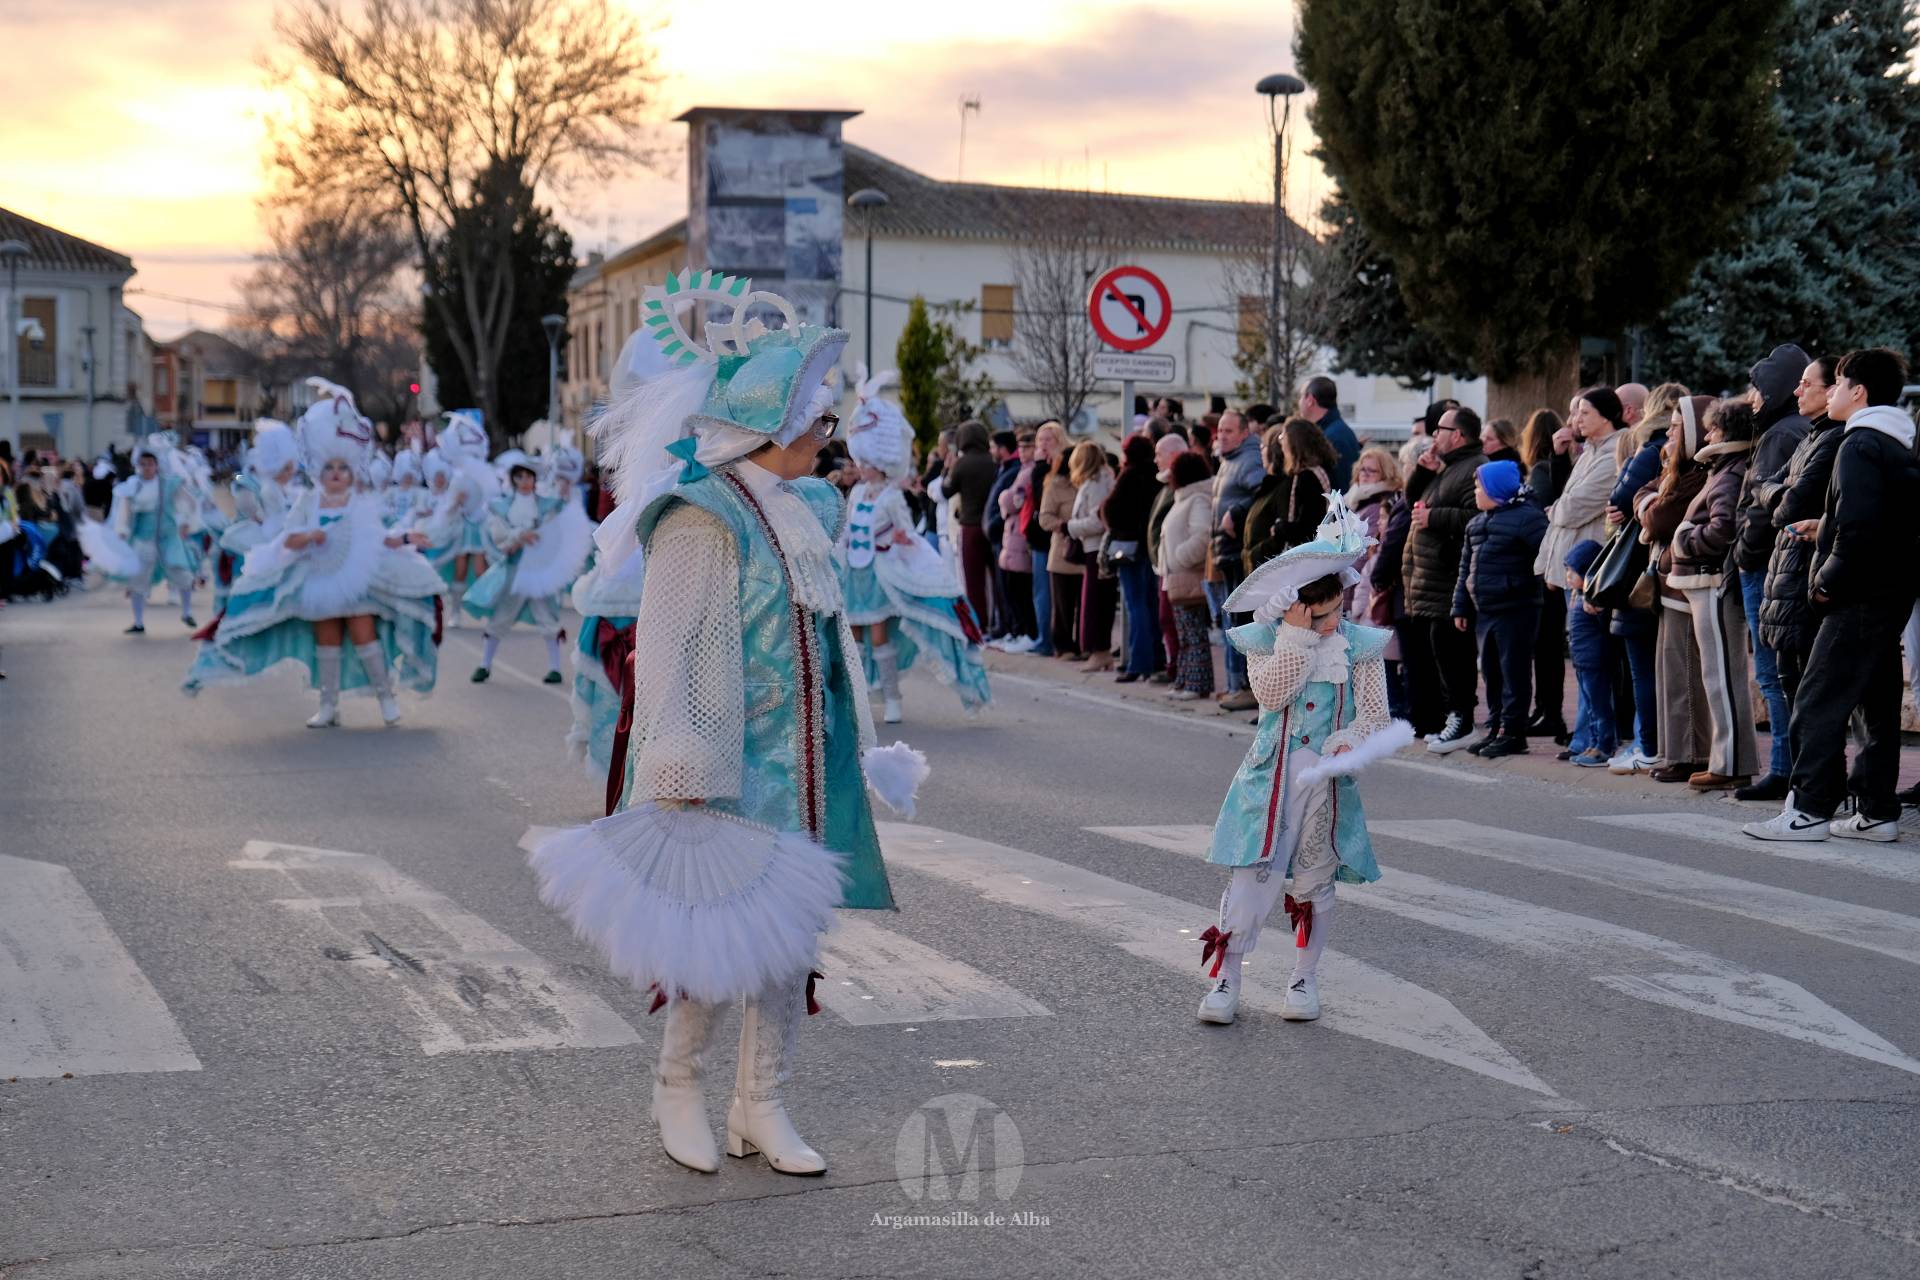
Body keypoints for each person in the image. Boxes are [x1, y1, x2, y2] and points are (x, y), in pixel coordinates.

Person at [528, 268, 921, 1177]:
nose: (828, 438)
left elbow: (827, 643)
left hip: (804, 762)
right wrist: (679, 766)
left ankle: (762, 1103)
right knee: (712, 941)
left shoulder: (805, 508)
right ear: (769, 425)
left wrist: (859, 745)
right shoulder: (702, 515)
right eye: (818, 422)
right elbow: (670, 648)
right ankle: (678, 1086)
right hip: (721, 764)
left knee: (788, 944)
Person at [1195, 496, 1410, 1025]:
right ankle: (1227, 978)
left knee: (1315, 881)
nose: (1336, 621)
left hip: (1326, 783)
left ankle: (1303, 977)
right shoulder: (1266, 641)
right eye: (1324, 615)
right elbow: (1272, 696)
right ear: (1296, 610)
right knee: (1250, 880)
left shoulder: (1359, 645)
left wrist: (1349, 740)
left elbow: (1376, 714)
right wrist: (1295, 638)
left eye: (1339, 608)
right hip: (1268, 780)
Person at [182, 394, 442, 726]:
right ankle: (329, 706)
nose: (336, 473)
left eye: (342, 468)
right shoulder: (308, 501)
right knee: (327, 642)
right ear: (319, 470)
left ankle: (386, 699)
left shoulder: (358, 502)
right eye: (329, 467)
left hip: (358, 583)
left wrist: (406, 538)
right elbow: (287, 539)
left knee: (365, 637)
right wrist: (309, 536)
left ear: (352, 473)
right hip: (318, 579)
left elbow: (378, 538)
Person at [1747, 349, 1920, 843]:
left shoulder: (1858, 443)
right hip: (1888, 594)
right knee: (1876, 704)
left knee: (1817, 700)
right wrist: (1825, 528)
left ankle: (1808, 810)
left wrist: (1825, 584)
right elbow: (1886, 522)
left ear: (1858, 391)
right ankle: (1876, 812)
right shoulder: (1896, 442)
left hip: (1857, 596)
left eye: (1839, 383)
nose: (1831, 394)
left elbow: (1859, 530)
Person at [837, 367, 991, 722]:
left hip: (879, 574)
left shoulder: (892, 496)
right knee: (853, 639)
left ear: (882, 464)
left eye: (868, 463)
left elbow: (905, 530)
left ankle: (892, 698)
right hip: (853, 574)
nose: (862, 468)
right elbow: (847, 528)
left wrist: (901, 539)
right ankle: (860, 699)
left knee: (879, 636)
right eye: (861, 462)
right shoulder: (856, 492)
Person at [1752, 357, 1840, 801]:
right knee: (1790, 682)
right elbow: (1766, 485)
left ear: (1833, 389)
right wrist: (1778, 491)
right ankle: (1802, 789)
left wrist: (1777, 492)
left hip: (1806, 575)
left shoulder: (1835, 439)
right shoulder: (1810, 435)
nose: (1797, 392)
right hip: (1786, 572)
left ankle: (1812, 793)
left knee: (1806, 690)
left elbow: (1789, 503)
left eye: (1807, 384)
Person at [1662, 399, 1759, 790]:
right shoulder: (1725, 468)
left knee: (1722, 677)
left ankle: (1730, 763)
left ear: (1727, 432)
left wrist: (1684, 540)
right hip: (1708, 583)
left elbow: (1723, 529)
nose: (1708, 437)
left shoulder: (1730, 472)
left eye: (1714, 429)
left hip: (1713, 583)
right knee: (1717, 675)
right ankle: (1727, 760)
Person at [1732, 345, 1812, 799]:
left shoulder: (1781, 433)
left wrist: (1744, 553)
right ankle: (1789, 767)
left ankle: (1784, 769)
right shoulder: (1791, 428)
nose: (1752, 398)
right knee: (1782, 672)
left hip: (1765, 565)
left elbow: (1762, 505)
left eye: (1757, 388)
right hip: (1775, 562)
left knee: (1773, 673)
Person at [1634, 396, 1714, 780]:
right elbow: (1643, 494)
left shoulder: (1698, 473)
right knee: (1669, 671)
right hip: (1670, 583)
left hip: (1687, 586)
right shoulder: (1677, 469)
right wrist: (1649, 504)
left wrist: (1649, 509)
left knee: (1685, 673)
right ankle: (1676, 753)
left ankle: (1692, 755)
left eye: (1676, 426)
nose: (1668, 433)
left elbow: (1659, 519)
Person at [463, 457, 595, 685]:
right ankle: (485, 664)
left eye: (529, 477)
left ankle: (555, 668)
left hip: (539, 570)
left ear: (535, 479)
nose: (525, 481)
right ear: (513, 480)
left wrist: (540, 536)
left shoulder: (548, 505)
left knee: (547, 616)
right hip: (514, 569)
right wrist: (518, 537)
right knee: (501, 615)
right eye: (520, 477)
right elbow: (498, 536)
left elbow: (557, 531)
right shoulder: (503, 506)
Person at [1403, 405, 1489, 750]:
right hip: (1430, 579)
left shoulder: (1475, 467)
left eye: (1440, 429)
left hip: (1449, 578)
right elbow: (1413, 503)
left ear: (1459, 435)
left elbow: (1477, 516)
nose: (1434, 434)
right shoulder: (1447, 467)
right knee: (1438, 651)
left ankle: (1461, 719)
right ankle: (1448, 718)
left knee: (1454, 653)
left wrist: (1435, 517)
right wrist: (1422, 473)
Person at [1451, 459, 1547, 757]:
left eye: (1479, 487)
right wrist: (1460, 607)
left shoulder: (1528, 518)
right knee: (1492, 672)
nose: (1475, 492)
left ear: (1496, 489)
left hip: (1516, 608)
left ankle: (1513, 731)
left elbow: (1545, 555)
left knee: (1513, 671)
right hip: (1485, 610)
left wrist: (1519, 585)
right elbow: (1465, 569)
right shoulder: (1476, 523)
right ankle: (1495, 725)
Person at [81, 434, 205, 632]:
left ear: (156, 465)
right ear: (138, 465)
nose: (147, 468)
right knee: (138, 579)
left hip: (168, 536)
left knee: (181, 572)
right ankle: (138, 622)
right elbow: (124, 511)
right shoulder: (132, 486)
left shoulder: (168, 484)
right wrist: (122, 530)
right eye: (143, 464)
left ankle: (187, 612)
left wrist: (185, 522)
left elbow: (186, 502)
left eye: (150, 464)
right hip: (143, 537)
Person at [1208, 410, 1268, 710]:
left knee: (1243, 621)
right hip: (1226, 550)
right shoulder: (1228, 459)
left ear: (1244, 433)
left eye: (1229, 431)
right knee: (1233, 620)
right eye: (1220, 430)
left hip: (1238, 551)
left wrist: (1236, 513)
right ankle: (1237, 685)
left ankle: (1248, 687)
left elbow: (1262, 494)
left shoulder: (1249, 459)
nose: (1222, 435)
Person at [1520, 407, 1573, 739]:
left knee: (1546, 645)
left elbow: (1539, 512)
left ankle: (1548, 711)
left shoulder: (1540, 471)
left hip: (1547, 568)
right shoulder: (1565, 468)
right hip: (1560, 564)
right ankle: (1545, 710)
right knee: (1549, 644)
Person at [1351, 446, 1410, 720]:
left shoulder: (1378, 506)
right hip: (1357, 593)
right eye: (1362, 469)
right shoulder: (1356, 500)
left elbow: (1363, 555)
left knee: (1384, 664)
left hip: (1367, 597)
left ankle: (1391, 708)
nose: (1364, 475)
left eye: (1371, 470)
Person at [1103, 433, 1165, 683]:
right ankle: (1156, 657)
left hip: (1129, 548)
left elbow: (1110, 510)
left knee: (1135, 604)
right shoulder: (1156, 476)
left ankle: (1138, 662)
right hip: (1150, 547)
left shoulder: (1128, 476)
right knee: (1149, 603)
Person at [1157, 449, 1215, 701]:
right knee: (1183, 632)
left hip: (1188, 576)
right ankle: (1184, 680)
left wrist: (1179, 558)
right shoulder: (1184, 498)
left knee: (1194, 633)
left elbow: (1202, 537)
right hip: (1176, 576)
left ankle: (1197, 683)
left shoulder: (1197, 499)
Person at [1243, 418, 1333, 573]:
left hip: (1306, 564)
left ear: (1294, 442)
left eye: (1282, 437)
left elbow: (1309, 527)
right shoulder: (1314, 473)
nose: (1280, 442)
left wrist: (1281, 528)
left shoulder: (1308, 478)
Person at [1561, 540, 1615, 764]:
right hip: (1582, 661)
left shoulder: (1594, 600)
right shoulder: (1578, 596)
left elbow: (1604, 628)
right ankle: (1592, 744)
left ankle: (1604, 746)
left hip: (1595, 660)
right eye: (1567, 571)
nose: (1568, 577)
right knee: (1592, 706)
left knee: (1600, 706)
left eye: (1572, 572)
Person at [1066, 441, 1118, 672]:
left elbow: (1097, 521)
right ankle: (1099, 652)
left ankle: (1100, 651)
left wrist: (1070, 527)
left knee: (1097, 602)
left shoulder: (1097, 483)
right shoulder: (1096, 481)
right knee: (1095, 602)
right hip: (1092, 548)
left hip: (1097, 548)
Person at [1144, 432, 1190, 683]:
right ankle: (1175, 668)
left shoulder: (1183, 486)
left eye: (1159, 454)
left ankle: (1179, 671)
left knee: (1174, 620)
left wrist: (1177, 557)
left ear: (1174, 455)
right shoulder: (1166, 484)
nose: (1155, 460)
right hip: (1163, 564)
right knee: (1167, 619)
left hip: (1175, 566)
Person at [1038, 425, 1084, 659]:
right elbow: (1044, 518)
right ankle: (1064, 646)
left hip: (1085, 550)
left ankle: (1084, 644)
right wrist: (1066, 526)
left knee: (1084, 604)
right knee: (1063, 604)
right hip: (1062, 551)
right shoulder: (1055, 484)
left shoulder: (1088, 485)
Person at [946, 419, 997, 631]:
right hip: (993, 526)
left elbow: (947, 491)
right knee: (996, 580)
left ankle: (979, 623)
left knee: (974, 580)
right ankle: (1000, 624)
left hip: (970, 525)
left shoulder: (962, 464)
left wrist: (947, 469)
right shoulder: (993, 461)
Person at [993, 429, 1040, 650]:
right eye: (1021, 447)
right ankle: (1020, 632)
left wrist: (1004, 498)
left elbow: (1014, 500)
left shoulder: (1029, 472)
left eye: (1027, 447)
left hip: (1020, 535)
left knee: (1020, 588)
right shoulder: (1022, 470)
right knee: (1011, 587)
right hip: (1012, 534)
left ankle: (1028, 633)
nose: (1023, 452)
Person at [983, 429, 1022, 640]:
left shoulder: (1013, 470)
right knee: (1002, 586)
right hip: (999, 537)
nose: (990, 451)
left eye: (993, 447)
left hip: (1005, 536)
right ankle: (1005, 627)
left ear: (1002, 449)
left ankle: (1012, 628)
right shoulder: (1003, 469)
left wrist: (993, 525)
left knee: (1009, 587)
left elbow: (1008, 505)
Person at [1298, 375, 1358, 490]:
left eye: (1301, 396)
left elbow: (1340, 490)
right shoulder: (1331, 432)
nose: (1299, 402)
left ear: (1310, 400)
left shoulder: (1333, 438)